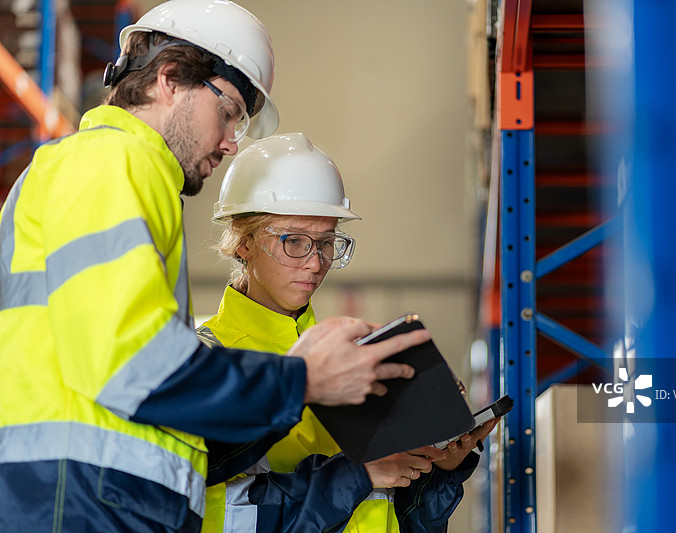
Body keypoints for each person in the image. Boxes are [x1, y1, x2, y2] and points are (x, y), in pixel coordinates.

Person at [0, 2, 428, 532]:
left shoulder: (125, 178)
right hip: (78, 503)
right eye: (227, 112)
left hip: (94, 501)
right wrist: (302, 381)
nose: (230, 141)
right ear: (171, 79)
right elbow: (130, 364)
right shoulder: (110, 163)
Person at [197, 132, 498, 533]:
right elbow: (222, 513)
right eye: (295, 242)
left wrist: (437, 466)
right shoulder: (206, 361)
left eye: (327, 243)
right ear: (243, 243)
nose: (315, 263)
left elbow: (388, 514)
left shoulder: (358, 357)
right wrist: (357, 475)